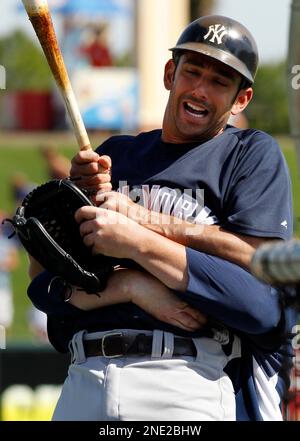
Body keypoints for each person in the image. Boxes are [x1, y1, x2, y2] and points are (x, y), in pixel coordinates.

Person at [27, 15, 296, 421]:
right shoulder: (114, 155)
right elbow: (45, 292)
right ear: (171, 73)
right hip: (85, 376)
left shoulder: (248, 154)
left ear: (241, 100)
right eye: (192, 72)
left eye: (221, 82)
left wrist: (140, 232)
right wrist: (129, 285)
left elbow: (260, 302)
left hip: (185, 376)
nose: (200, 90)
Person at [0, 210, 19, 331]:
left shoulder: (7, 241)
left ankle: (3, 347)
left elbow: (14, 262)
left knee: (3, 322)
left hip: (3, 287)